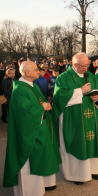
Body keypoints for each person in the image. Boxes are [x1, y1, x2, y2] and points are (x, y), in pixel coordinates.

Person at [3, 61, 61, 195]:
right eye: (35, 70)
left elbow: (39, 102)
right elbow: (25, 112)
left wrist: (45, 105)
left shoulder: (32, 86)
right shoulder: (20, 90)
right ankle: (29, 191)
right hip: (28, 132)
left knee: (41, 157)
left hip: (38, 127)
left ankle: (40, 186)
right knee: (28, 162)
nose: (38, 72)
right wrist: (42, 108)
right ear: (27, 73)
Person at [52, 52, 98, 185]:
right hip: (73, 118)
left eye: (87, 65)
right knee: (77, 142)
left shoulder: (91, 76)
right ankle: (76, 175)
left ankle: (92, 171)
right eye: (83, 66)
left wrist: (97, 98)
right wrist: (79, 91)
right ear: (74, 64)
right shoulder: (63, 78)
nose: (86, 68)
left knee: (91, 141)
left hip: (90, 117)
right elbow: (59, 97)